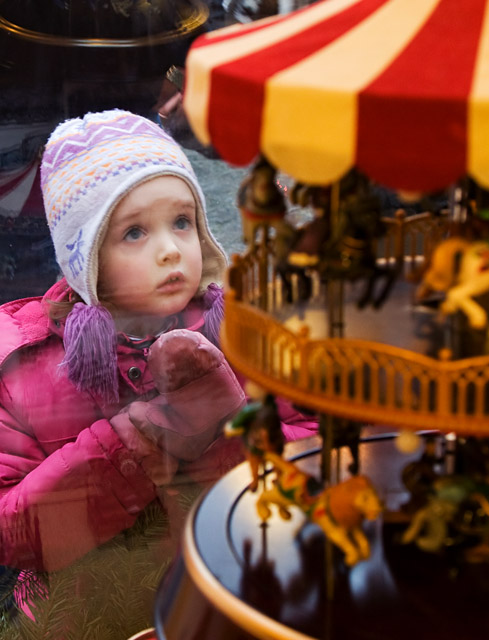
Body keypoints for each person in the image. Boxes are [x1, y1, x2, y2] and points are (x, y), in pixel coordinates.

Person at [0, 109, 317, 636]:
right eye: (133, 232)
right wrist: (145, 436)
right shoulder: (24, 364)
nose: (170, 248)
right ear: (85, 254)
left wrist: (229, 427)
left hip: (223, 600)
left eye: (182, 221)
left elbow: (310, 457)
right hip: (84, 621)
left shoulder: (244, 332)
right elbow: (13, 532)